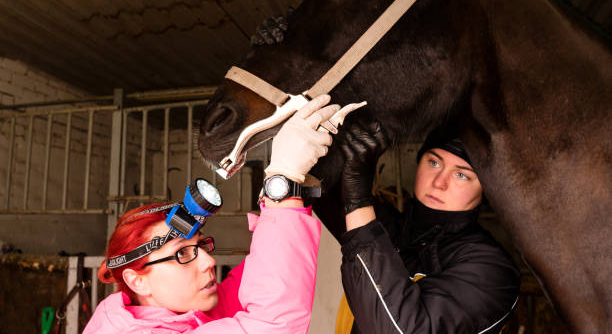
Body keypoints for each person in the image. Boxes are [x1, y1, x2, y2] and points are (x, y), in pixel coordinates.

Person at [83, 94, 340, 334]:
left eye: (200, 246)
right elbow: (271, 323)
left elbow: (250, 287)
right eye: (182, 252)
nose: (209, 262)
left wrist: (292, 192)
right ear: (138, 282)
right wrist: (282, 183)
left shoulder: (177, 313)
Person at [338, 123, 521, 333]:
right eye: (434, 162)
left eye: (461, 175)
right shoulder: (390, 227)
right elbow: (322, 186)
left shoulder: (493, 270)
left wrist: (358, 201)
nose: (439, 182)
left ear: (485, 190)